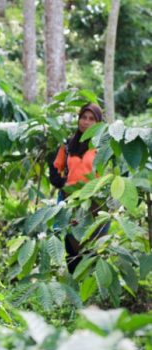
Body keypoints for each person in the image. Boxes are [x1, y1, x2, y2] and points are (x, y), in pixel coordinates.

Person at [48, 103, 105, 272]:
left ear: (98, 123)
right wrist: (63, 184)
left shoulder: (101, 146)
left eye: (91, 119)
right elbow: (55, 168)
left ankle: (91, 285)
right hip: (70, 201)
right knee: (72, 244)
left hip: (93, 202)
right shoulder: (67, 145)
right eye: (83, 117)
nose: (86, 122)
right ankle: (74, 282)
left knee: (93, 243)